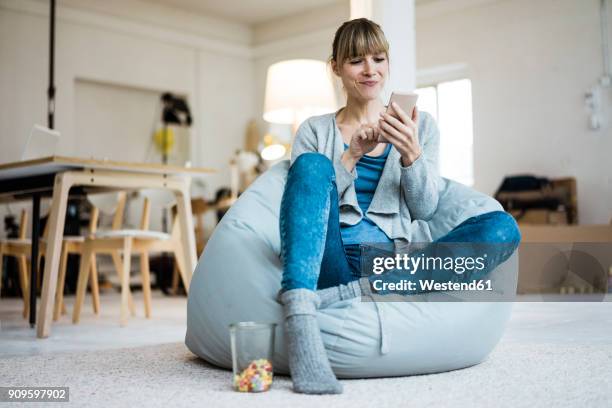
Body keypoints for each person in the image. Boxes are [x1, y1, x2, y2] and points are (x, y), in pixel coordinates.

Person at [276, 18, 521, 395]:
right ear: (337, 68)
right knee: (311, 165)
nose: (370, 70)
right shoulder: (314, 130)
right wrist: (351, 155)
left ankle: (352, 294)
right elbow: (308, 204)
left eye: (378, 58)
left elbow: (424, 210)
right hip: (333, 258)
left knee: (503, 228)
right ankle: (300, 315)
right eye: (357, 60)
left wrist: (411, 153)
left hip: (399, 263)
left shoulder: (421, 128)